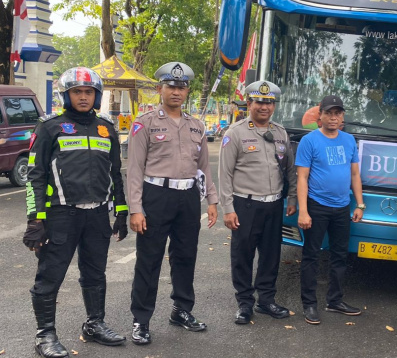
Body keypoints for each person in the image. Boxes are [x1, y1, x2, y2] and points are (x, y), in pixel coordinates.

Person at [23, 67, 128, 357]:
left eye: (89, 92)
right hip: (60, 216)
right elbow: (35, 175)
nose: (83, 97)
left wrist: (120, 211)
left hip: (96, 216)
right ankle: (44, 335)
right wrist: (35, 219)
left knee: (95, 274)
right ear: (66, 95)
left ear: (97, 95)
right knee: (50, 276)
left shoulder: (106, 127)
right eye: (77, 92)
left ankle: (94, 324)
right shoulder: (49, 126)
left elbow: (115, 173)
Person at [127, 62, 219, 345]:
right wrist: (136, 208)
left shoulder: (197, 126)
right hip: (156, 196)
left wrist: (212, 201)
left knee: (185, 257)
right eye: (171, 86)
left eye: (181, 87)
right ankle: (141, 320)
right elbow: (134, 169)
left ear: (187, 90)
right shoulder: (145, 123)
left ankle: (181, 310)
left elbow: (203, 169)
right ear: (160, 89)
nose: (176, 92)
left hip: (188, 198)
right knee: (149, 259)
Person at [219, 80, 298, 324]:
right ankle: (244, 304)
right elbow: (225, 174)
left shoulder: (280, 132)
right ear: (249, 103)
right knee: (242, 255)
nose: (264, 107)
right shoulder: (235, 133)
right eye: (259, 102)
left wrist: (293, 196)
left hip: (273, 205)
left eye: (269, 102)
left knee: (271, 255)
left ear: (273, 106)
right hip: (246, 205)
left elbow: (290, 169)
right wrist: (228, 209)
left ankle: (266, 300)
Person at [296, 95, 364, 325]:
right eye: (329, 113)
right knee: (311, 255)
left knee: (339, 256)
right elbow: (302, 178)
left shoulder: (348, 140)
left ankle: (335, 300)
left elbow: (355, 174)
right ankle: (309, 304)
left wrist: (360, 204)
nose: (333, 117)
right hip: (317, 206)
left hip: (342, 207)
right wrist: (303, 211)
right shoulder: (309, 141)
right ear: (320, 116)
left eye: (338, 113)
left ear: (342, 117)